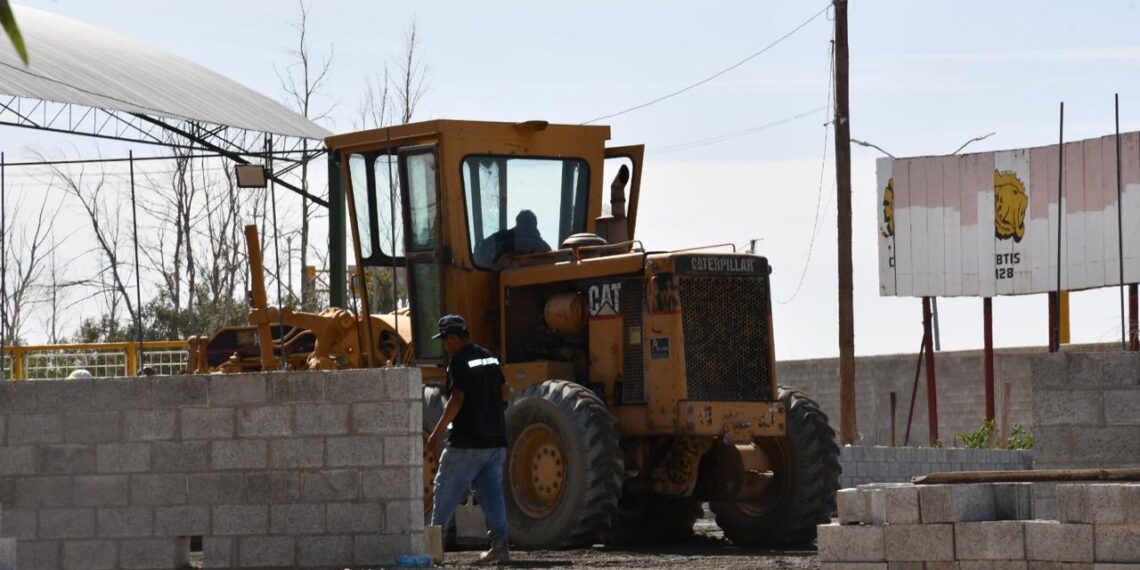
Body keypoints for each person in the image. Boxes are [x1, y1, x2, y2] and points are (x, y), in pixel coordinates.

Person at [426, 314, 511, 565]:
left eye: (444, 340)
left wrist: (437, 431)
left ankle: (432, 552)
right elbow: (506, 391)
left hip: (466, 443)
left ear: (453, 338)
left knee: (444, 491)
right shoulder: (489, 356)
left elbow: (457, 399)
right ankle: (500, 546)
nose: (445, 345)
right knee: (491, 493)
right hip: (495, 442)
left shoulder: (458, 361)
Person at [474, 209, 553, 267]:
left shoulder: (507, 244)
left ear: (518, 225)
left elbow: (489, 261)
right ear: (535, 225)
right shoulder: (545, 248)